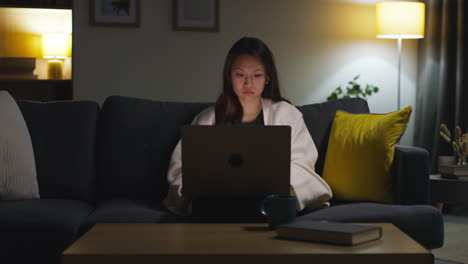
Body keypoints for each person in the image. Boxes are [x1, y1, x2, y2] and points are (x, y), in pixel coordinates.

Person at [163, 37, 332, 217]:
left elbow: (303, 164)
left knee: (272, 200)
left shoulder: (287, 114)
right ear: (229, 76)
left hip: (269, 196)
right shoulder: (207, 118)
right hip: (218, 198)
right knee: (210, 203)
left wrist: (273, 181)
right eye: (240, 74)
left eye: (257, 75)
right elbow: (182, 169)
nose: (248, 83)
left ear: (267, 77)